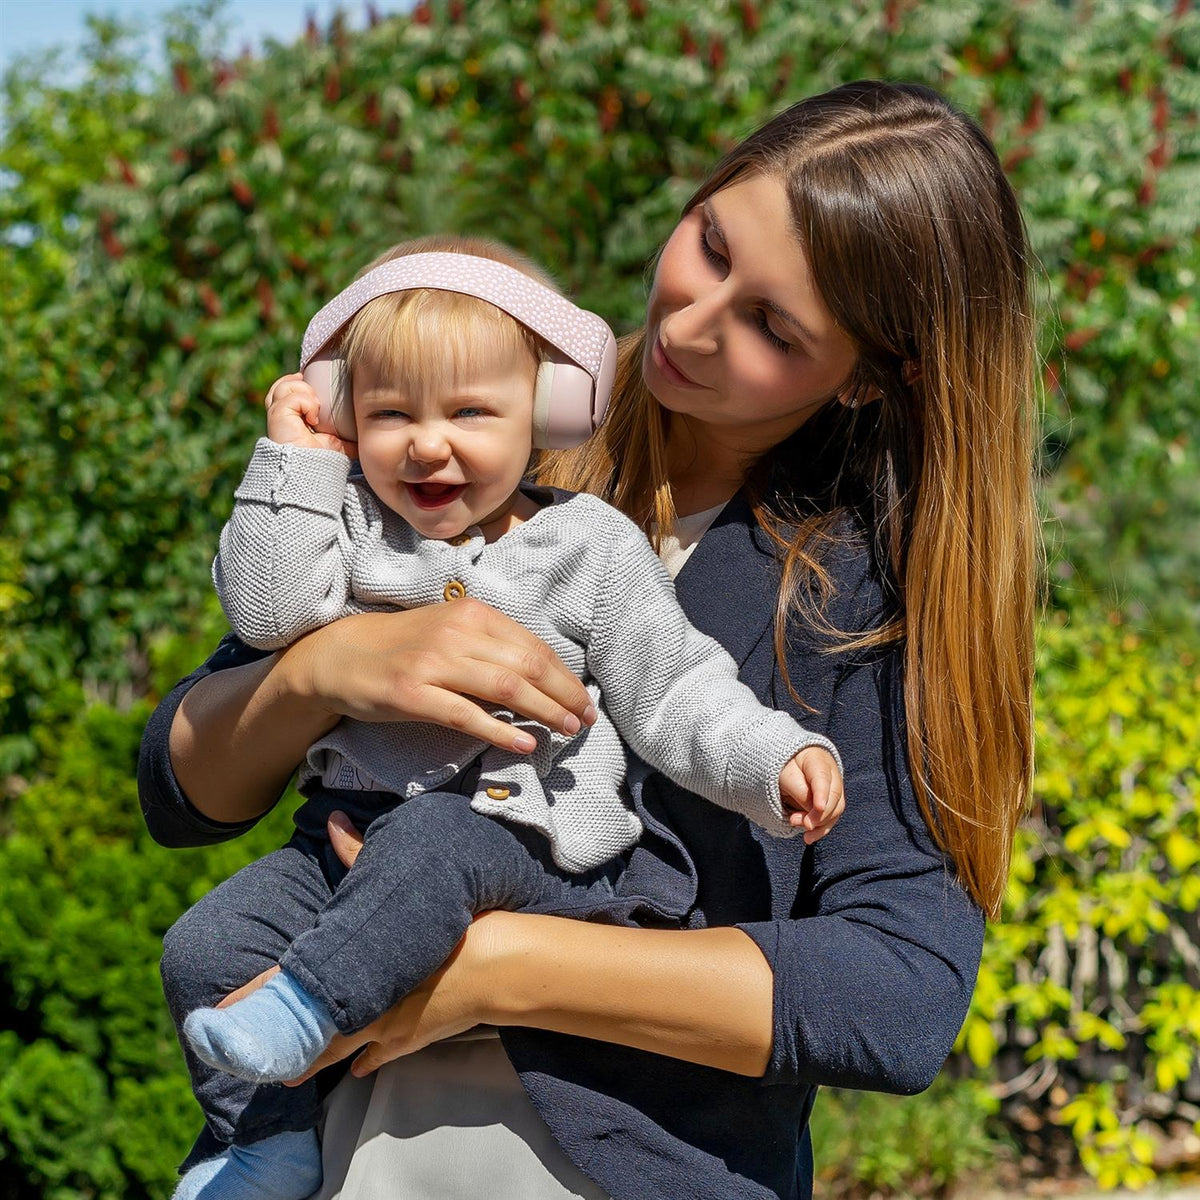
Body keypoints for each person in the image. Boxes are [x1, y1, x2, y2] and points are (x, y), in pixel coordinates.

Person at [138, 80, 1038, 1200]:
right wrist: (324, 673)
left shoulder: (858, 595)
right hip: (340, 1160)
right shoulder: (475, 419)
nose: (692, 321)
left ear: (865, 376)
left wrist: (493, 969)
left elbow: (898, 995)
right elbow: (183, 786)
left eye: (771, 326)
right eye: (709, 244)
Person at [161, 234, 846, 1200]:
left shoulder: (587, 547)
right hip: (342, 848)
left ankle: (311, 1005)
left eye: (470, 411)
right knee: (205, 945)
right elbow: (268, 613)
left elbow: (677, 691)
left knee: (440, 838)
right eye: (390, 412)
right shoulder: (348, 525)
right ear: (347, 412)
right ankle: (263, 1141)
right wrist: (293, 460)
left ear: (549, 411)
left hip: (522, 840)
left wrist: (773, 760)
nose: (427, 442)